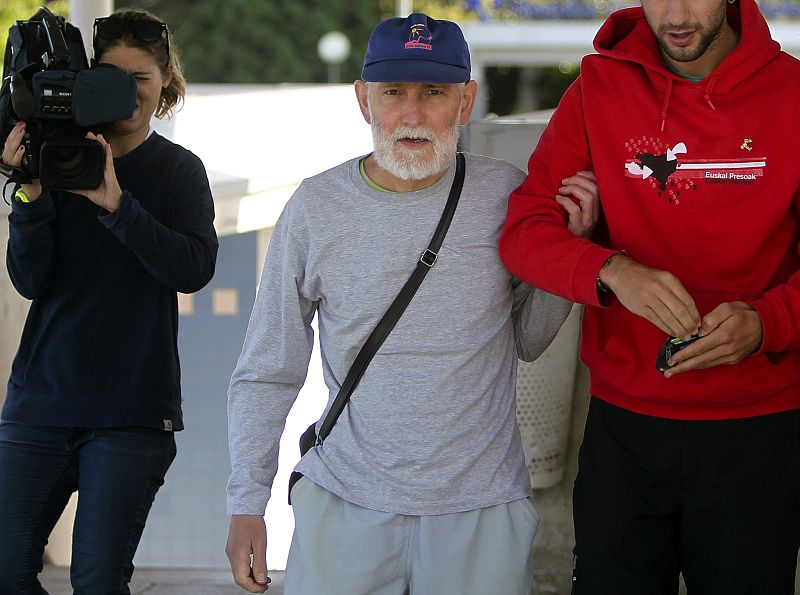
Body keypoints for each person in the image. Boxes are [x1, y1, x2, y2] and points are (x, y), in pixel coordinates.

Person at [225, 12, 600, 595]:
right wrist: (247, 502)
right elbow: (268, 367)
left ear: (466, 101)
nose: (413, 115)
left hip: (481, 509)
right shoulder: (316, 206)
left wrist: (566, 252)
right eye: (393, 92)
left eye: (434, 93)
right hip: (345, 503)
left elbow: (529, 341)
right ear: (363, 100)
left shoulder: (507, 195)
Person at [498, 0, 800, 591]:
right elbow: (524, 230)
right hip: (626, 426)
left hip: (760, 428)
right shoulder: (597, 88)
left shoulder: (792, 93)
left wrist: (769, 322)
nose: (676, 15)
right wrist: (611, 269)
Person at [0, 8, 217, 594]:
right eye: (112, 77)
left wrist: (118, 206)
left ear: (165, 80)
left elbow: (193, 269)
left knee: (97, 581)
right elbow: (29, 280)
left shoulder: (178, 171)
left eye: (140, 77)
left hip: (131, 413)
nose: (127, 92)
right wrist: (30, 195)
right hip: (40, 404)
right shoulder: (54, 159)